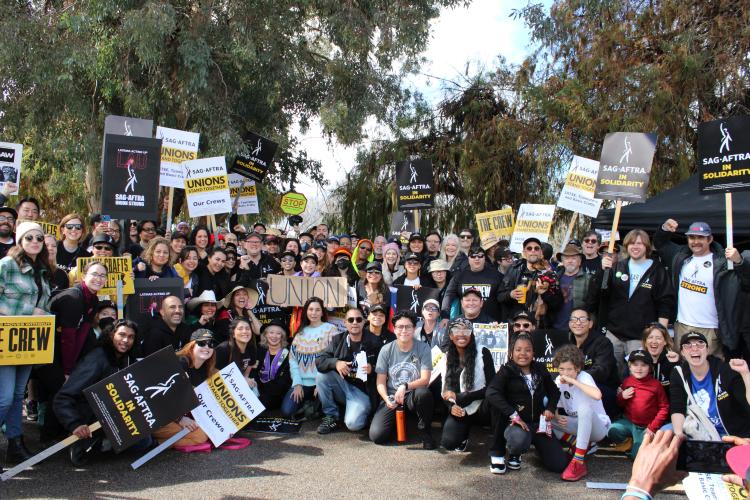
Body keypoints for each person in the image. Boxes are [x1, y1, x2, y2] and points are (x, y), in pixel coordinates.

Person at [654, 219, 750, 358]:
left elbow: (747, 283)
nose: (696, 241)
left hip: (711, 329)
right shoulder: (680, 256)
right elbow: (660, 243)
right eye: (692, 237)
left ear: (710, 239)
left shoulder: (724, 262)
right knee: (683, 369)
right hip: (683, 326)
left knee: (712, 371)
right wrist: (664, 228)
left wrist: (740, 262)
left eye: (701, 237)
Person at [53, 320, 144, 466]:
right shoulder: (97, 358)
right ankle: (87, 442)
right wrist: (75, 424)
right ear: (111, 335)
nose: (126, 340)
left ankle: (102, 443)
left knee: (145, 443)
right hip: (89, 418)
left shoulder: (128, 360)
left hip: (115, 414)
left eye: (131, 337)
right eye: (121, 335)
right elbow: (62, 398)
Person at [0, 222, 52, 466]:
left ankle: (15, 444)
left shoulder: (42, 270)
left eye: (39, 238)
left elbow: (46, 307)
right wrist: (30, 311)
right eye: (29, 237)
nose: (35, 241)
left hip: (29, 342)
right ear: (19, 241)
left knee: (18, 395)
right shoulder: (7, 265)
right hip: (6, 340)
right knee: (4, 398)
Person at [486, 333, 567, 474]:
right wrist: (513, 414)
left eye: (527, 350)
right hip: (517, 425)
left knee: (559, 465)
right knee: (519, 440)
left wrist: (550, 408)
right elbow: (491, 393)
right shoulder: (506, 371)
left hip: (539, 425)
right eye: (518, 350)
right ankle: (514, 452)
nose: (523, 353)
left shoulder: (540, 369)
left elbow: (554, 391)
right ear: (511, 352)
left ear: (533, 353)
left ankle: (540, 451)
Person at [600, 229, 674, 377]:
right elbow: (602, 294)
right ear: (626, 246)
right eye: (632, 243)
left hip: (640, 337)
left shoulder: (657, 270)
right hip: (614, 334)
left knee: (638, 377)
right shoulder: (618, 266)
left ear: (646, 246)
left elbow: (666, 302)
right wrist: (603, 271)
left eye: (639, 243)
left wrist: (660, 332)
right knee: (611, 375)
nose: (635, 246)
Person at [369, 310, 435, 449]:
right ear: (394, 328)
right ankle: (399, 423)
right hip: (392, 396)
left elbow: (425, 379)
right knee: (377, 436)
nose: (404, 330)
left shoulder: (423, 348)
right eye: (400, 327)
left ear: (414, 328)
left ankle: (425, 430)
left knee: (424, 394)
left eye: (408, 326)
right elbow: (380, 382)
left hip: (412, 394)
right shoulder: (386, 349)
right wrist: (386, 398)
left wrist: (405, 386)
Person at [669, 332, 750, 439]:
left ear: (707, 350)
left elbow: (747, 403)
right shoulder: (678, 373)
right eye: (688, 345)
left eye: (700, 344)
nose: (694, 348)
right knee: (666, 431)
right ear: (682, 352)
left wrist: (745, 373)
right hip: (702, 435)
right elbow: (677, 408)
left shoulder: (725, 371)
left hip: (733, 436)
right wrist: (679, 435)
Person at [551, 344, 612, 481]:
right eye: (561, 369)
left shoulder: (584, 377)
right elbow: (551, 403)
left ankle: (578, 461)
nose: (565, 373)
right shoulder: (558, 381)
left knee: (584, 408)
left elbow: (597, 395)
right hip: (578, 425)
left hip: (598, 429)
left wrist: (573, 381)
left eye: (569, 369)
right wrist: (555, 414)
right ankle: (576, 443)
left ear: (577, 368)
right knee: (546, 416)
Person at [315, 307, 378, 434]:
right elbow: (319, 361)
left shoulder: (374, 341)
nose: (355, 322)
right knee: (321, 375)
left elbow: (387, 367)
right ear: (345, 323)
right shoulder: (338, 340)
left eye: (358, 319)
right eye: (351, 319)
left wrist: (373, 368)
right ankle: (331, 416)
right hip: (343, 386)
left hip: (363, 392)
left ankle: (363, 414)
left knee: (353, 425)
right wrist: (336, 363)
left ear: (364, 322)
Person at [151, 329, 216, 448]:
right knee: (200, 437)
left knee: (209, 434)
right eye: (202, 343)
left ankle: (156, 442)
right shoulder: (180, 362)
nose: (207, 347)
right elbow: (161, 395)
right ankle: (152, 443)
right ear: (192, 345)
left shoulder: (206, 369)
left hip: (176, 415)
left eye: (211, 344)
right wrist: (180, 418)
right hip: (157, 416)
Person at [439, 318, 496, 453]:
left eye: (466, 330)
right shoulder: (446, 356)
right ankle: (463, 435)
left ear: (471, 334)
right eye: (457, 330)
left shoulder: (483, 353)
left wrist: (466, 396)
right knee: (449, 443)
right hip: (460, 407)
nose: (462, 334)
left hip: (481, 406)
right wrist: (451, 406)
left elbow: (492, 387)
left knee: (495, 400)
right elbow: (445, 391)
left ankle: (497, 444)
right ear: (451, 336)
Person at [282, 297, 338, 418]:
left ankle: (313, 406)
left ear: (322, 312)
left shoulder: (331, 330)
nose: (314, 313)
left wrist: (321, 382)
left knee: (325, 411)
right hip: (302, 382)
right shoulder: (300, 333)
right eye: (311, 309)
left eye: (317, 310)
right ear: (306, 311)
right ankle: (308, 405)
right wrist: (297, 383)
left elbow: (334, 358)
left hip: (322, 382)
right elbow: (293, 360)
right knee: (287, 412)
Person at [607, 349, 670, 458]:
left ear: (650, 368)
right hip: (630, 422)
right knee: (611, 430)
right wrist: (622, 397)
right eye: (635, 365)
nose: (639, 368)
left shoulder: (656, 385)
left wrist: (652, 427)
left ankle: (640, 445)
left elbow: (664, 408)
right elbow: (620, 405)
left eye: (643, 365)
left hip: (647, 426)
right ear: (630, 367)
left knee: (636, 456)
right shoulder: (627, 381)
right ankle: (629, 442)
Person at [567, 307, 619, 415]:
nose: (578, 322)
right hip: (575, 385)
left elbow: (601, 371)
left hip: (602, 389)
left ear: (590, 324)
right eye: (574, 319)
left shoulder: (603, 343)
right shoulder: (567, 343)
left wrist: (574, 378)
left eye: (582, 319)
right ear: (569, 323)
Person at [498, 237, 562, 324]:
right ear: (524, 252)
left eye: (536, 248)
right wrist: (510, 294)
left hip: (538, 326)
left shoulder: (550, 274)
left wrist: (545, 294)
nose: (533, 251)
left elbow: (558, 304)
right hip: (515, 324)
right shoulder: (514, 269)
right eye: (529, 248)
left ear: (540, 252)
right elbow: (499, 296)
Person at [441, 246, 502, 321]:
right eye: (473, 256)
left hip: (490, 323)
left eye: (480, 256)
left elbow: (503, 299)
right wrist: (445, 316)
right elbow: (448, 295)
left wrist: (503, 320)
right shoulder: (459, 276)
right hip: (465, 323)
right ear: (468, 259)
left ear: (484, 258)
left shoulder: (496, 276)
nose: (477, 259)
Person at [553, 242, 599, 332]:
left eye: (574, 258)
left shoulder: (589, 279)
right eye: (566, 258)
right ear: (562, 261)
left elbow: (592, 307)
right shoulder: (554, 279)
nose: (570, 261)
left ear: (580, 261)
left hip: (578, 329)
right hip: (555, 327)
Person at [255, 320, 292, 412]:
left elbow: (284, 383)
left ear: (282, 336)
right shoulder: (260, 351)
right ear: (266, 335)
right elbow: (255, 373)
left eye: (278, 333)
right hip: (260, 390)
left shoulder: (287, 354)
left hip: (278, 394)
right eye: (271, 332)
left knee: (260, 403)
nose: (274, 336)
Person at [215, 318, 258, 392]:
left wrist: (246, 380)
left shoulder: (251, 349)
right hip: (221, 389)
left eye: (247, 328)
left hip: (237, 388)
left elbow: (246, 374)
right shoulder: (223, 349)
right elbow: (214, 374)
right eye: (240, 329)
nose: (244, 331)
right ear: (233, 334)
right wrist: (241, 381)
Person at [642, 323, 679, 396]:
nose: (654, 341)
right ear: (645, 342)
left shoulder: (672, 360)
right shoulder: (638, 360)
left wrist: (677, 364)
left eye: (658, 338)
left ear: (665, 341)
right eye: (650, 337)